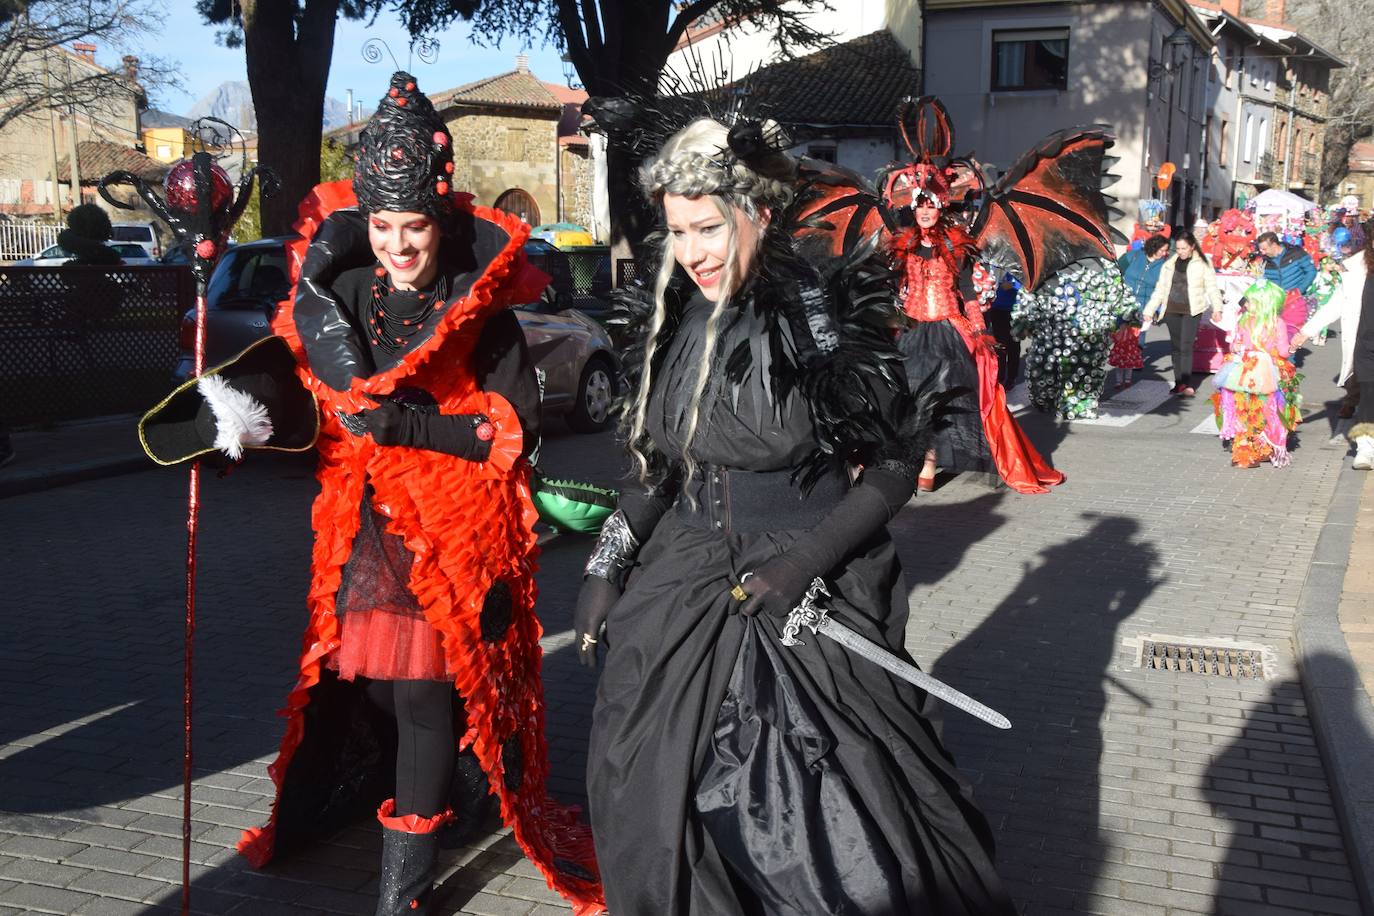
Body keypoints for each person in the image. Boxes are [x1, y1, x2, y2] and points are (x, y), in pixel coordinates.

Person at [152, 73, 603, 915]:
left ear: (442, 222)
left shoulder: (484, 312)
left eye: (416, 227)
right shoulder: (342, 297)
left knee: (429, 693)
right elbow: (304, 397)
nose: (400, 245)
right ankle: (433, 812)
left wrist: (410, 429)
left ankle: (403, 896)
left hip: (455, 530)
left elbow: (513, 430)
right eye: (386, 227)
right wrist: (230, 424)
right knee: (387, 689)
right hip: (366, 528)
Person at [573, 115, 1015, 915]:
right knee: (643, 786)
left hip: (799, 584)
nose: (695, 252)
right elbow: (663, 466)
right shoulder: (673, 321)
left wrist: (802, 562)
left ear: (759, 213)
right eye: (678, 232)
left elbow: (890, 466)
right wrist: (608, 562)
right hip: (683, 576)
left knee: (814, 831)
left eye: (709, 228)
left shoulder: (819, 317)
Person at [886, 168, 1063, 492]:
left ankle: (929, 459)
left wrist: (980, 333)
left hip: (947, 334)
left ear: (940, 208)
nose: (925, 211)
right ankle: (914, 457)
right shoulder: (903, 244)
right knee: (909, 397)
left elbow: (967, 294)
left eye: (930, 205)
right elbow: (896, 289)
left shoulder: (955, 247)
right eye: (920, 205)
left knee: (939, 398)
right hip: (912, 331)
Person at [1210, 280, 1302, 468]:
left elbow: (1234, 345)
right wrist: (1293, 348)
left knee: (1243, 408)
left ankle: (1245, 450)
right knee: (1267, 409)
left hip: (1243, 370)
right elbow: (1283, 352)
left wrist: (1236, 348)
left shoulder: (1244, 320)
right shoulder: (1278, 323)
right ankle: (1262, 447)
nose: (1245, 303)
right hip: (1267, 370)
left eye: (1250, 300)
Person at [1293, 226, 1365, 417]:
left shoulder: (1357, 266)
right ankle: (1352, 402)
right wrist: (1306, 332)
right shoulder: (1353, 267)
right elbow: (1338, 303)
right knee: (1358, 373)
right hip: (1362, 336)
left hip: (1366, 337)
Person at [1145, 231, 1223, 396]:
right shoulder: (1170, 264)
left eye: (1184, 248)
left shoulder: (1202, 262)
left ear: (1192, 246)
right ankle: (1178, 382)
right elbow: (1160, 289)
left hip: (1192, 310)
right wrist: (1150, 310)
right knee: (1176, 347)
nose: (1180, 252)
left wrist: (1217, 308)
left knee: (1186, 346)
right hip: (1171, 309)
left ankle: (1186, 383)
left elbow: (1211, 287)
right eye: (1178, 248)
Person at [1344, 222, 1374, 469]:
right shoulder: (1358, 269)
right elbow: (1338, 302)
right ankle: (1364, 449)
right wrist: (1306, 331)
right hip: (1367, 348)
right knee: (1368, 398)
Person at [1257, 230, 1319, 340]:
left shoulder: (1296, 253)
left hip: (1295, 301)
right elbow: (1262, 280)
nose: (1262, 252)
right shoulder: (1264, 261)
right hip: (1276, 302)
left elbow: (1311, 271)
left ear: (1274, 245)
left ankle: (1290, 355)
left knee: (1290, 335)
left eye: (1264, 249)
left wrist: (1298, 291)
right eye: (1260, 249)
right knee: (1275, 336)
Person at [985, 269, 1021, 387]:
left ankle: (1011, 377)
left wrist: (1010, 285)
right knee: (999, 345)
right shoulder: (994, 265)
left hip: (1013, 310)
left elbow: (1023, 284)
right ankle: (999, 377)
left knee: (1013, 346)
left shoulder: (1016, 266)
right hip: (996, 309)